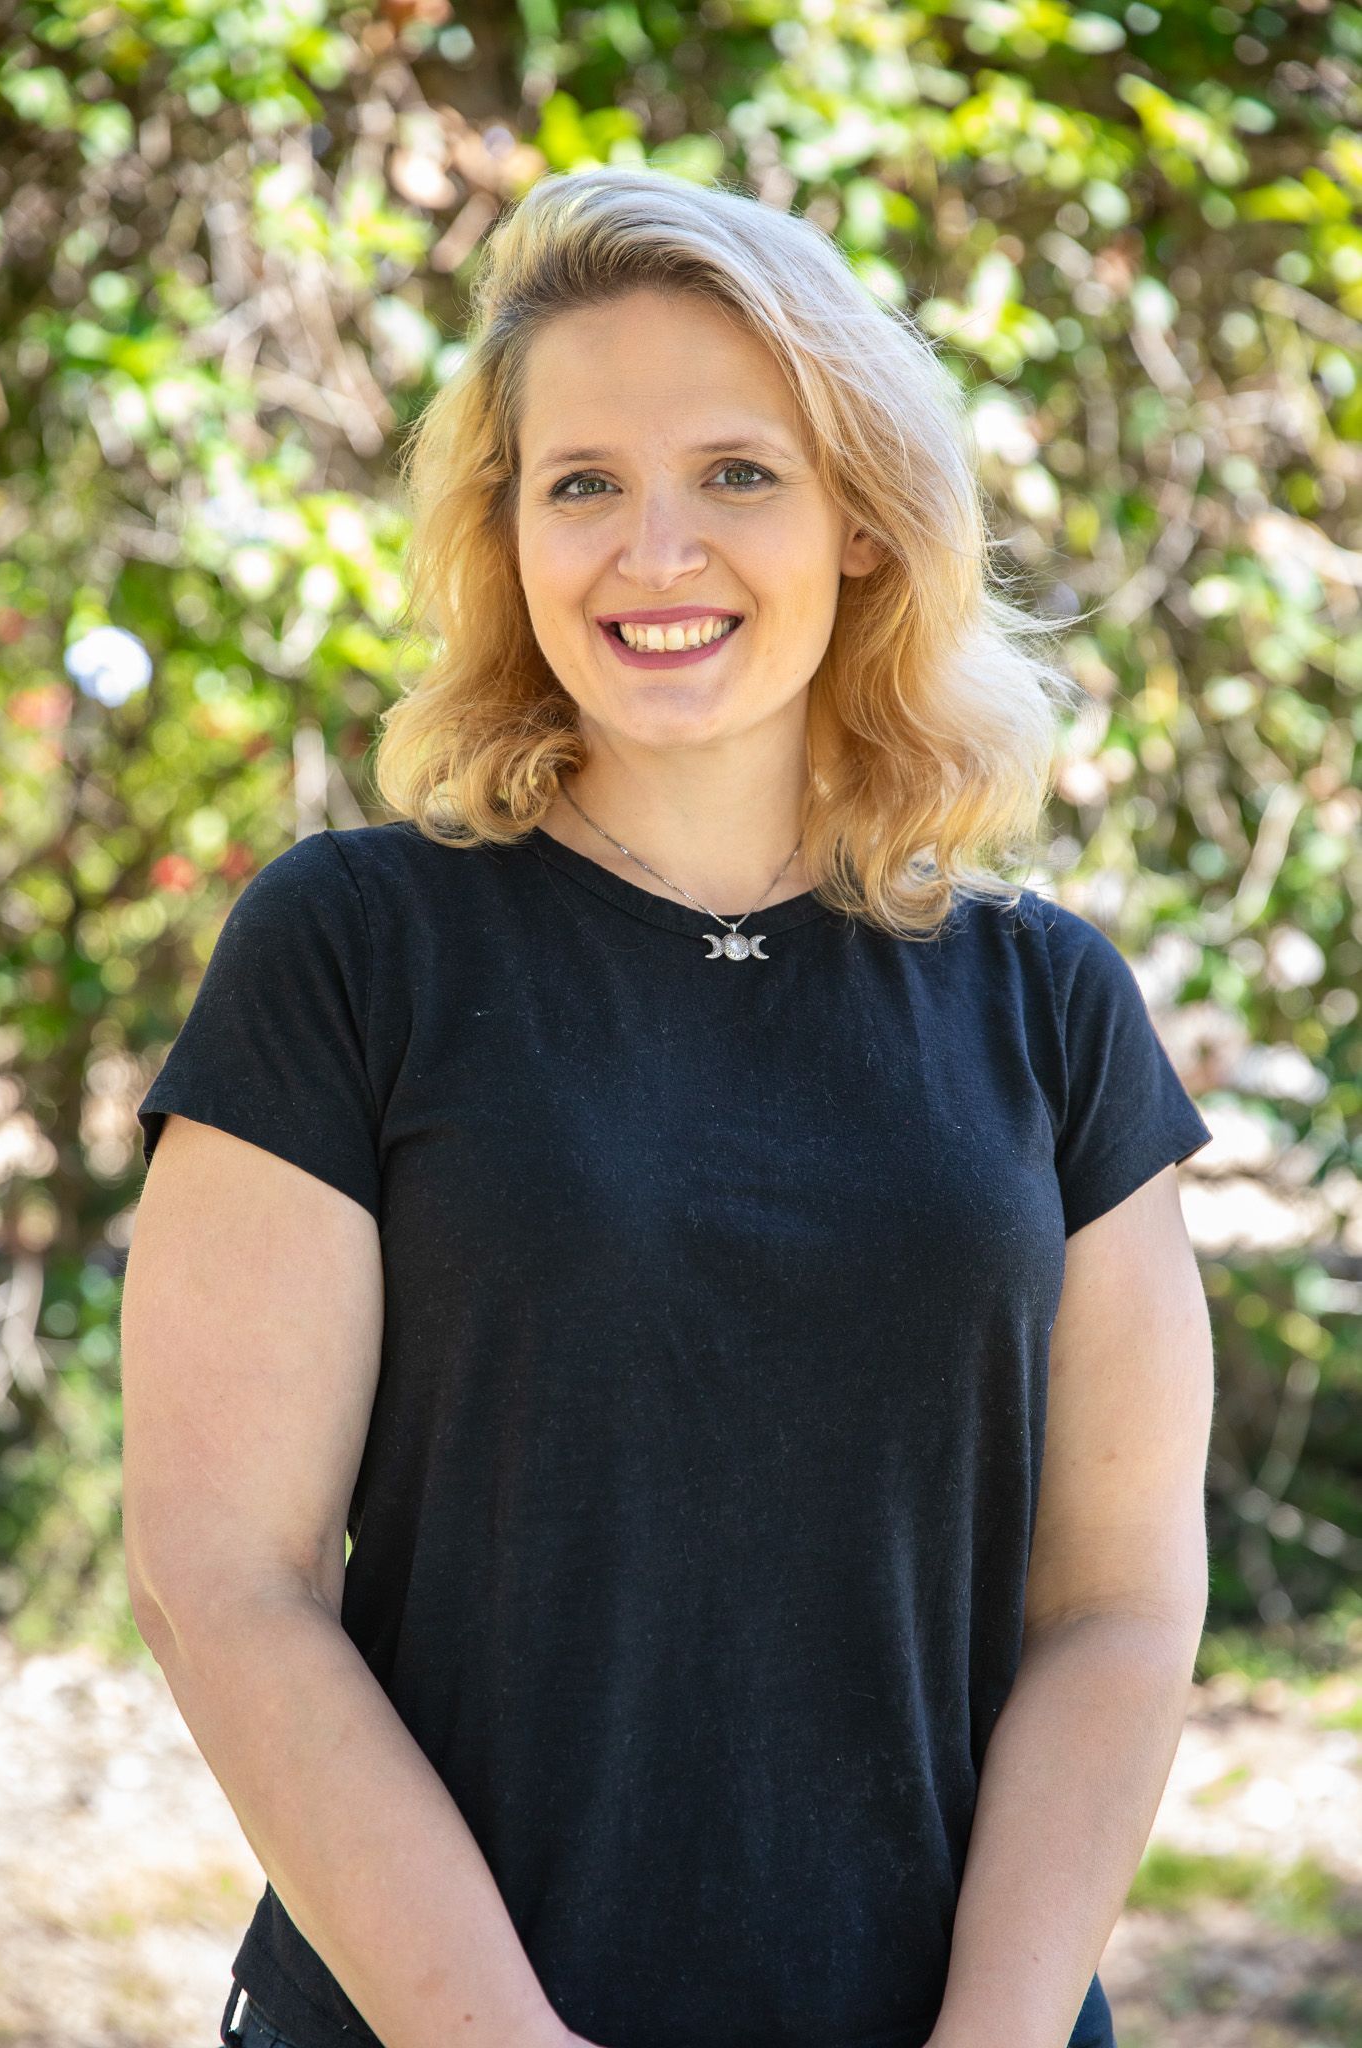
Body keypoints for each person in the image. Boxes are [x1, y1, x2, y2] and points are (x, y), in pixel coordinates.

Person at [120, 166, 1217, 2048]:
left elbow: (1114, 1604)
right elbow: (229, 1573)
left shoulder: (1048, 1002)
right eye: (582, 484)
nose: (654, 552)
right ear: (509, 533)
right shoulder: (353, 948)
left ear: (862, 524)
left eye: (735, 473)